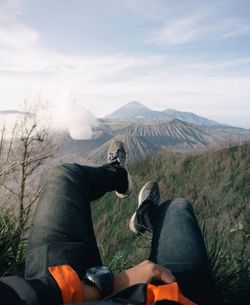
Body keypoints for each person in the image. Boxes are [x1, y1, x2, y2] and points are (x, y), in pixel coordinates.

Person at [0, 140, 217, 305]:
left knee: (63, 175)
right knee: (177, 207)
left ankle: (118, 175)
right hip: (172, 297)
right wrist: (113, 289)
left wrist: (93, 288)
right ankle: (145, 216)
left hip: (60, 293)